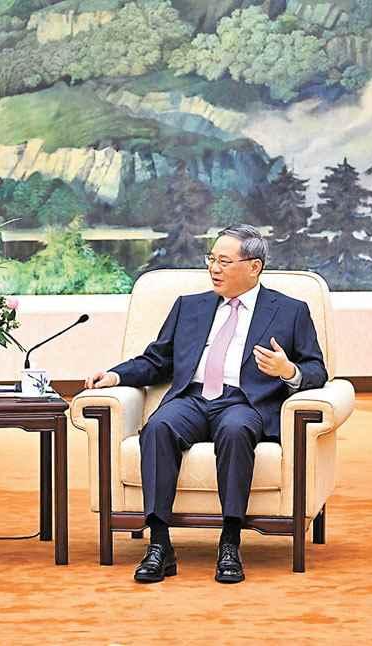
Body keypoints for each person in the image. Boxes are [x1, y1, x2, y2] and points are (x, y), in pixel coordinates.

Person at [85, 225, 327, 584]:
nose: (214, 268)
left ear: (254, 267)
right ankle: (159, 544)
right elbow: (157, 360)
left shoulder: (290, 311)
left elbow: (317, 370)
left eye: (224, 261)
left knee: (235, 430)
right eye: (211, 259)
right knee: (158, 427)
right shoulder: (189, 306)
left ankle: (230, 542)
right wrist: (116, 375)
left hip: (244, 401)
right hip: (193, 398)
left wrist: (288, 370)